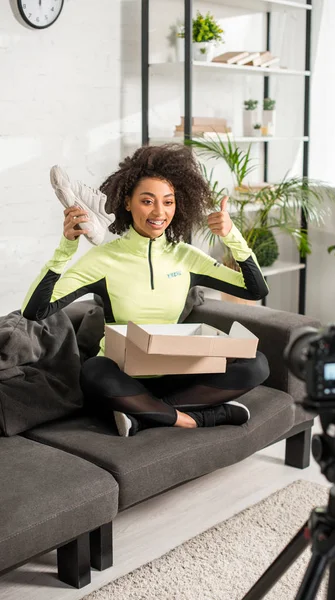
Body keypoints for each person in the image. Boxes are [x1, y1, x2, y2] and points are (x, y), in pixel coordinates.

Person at [22, 144, 270, 436]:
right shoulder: (104, 259)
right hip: (123, 376)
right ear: (127, 203)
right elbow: (35, 310)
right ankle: (199, 418)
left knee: (257, 363)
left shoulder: (187, 257)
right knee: (93, 371)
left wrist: (233, 237)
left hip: (176, 373)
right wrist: (65, 249)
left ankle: (143, 415)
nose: (159, 212)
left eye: (168, 202)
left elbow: (254, 289)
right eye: (147, 201)